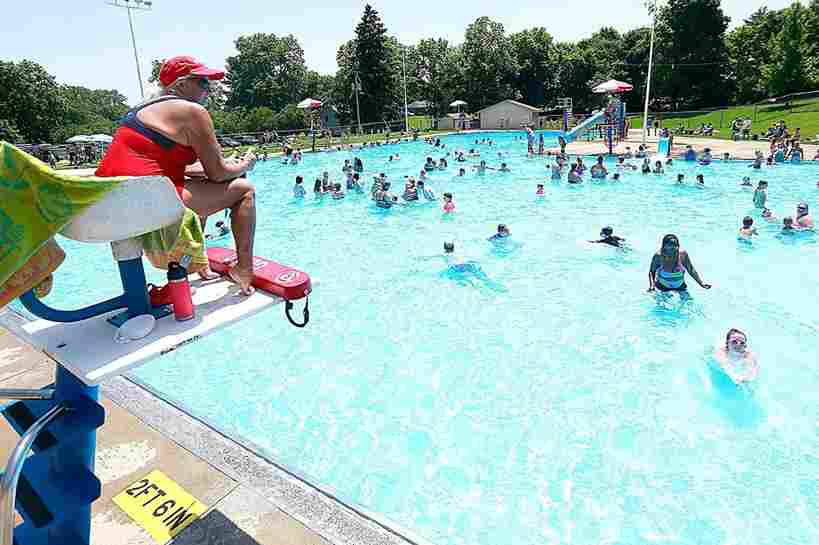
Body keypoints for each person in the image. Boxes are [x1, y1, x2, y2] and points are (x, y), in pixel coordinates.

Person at [95, 55, 257, 294]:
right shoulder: (192, 111)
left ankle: (200, 264)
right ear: (180, 84)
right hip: (148, 202)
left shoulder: (141, 109)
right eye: (202, 82)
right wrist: (245, 164)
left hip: (108, 202)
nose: (209, 89)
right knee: (245, 191)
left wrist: (218, 168)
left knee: (202, 181)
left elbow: (156, 164)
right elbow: (219, 172)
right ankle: (244, 269)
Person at [647, 234, 712, 293]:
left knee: (688, 305)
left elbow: (691, 270)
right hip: (662, 287)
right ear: (664, 246)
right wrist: (652, 286)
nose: (673, 248)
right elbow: (651, 272)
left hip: (680, 287)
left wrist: (701, 283)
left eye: (675, 245)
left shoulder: (683, 255)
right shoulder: (658, 256)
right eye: (670, 245)